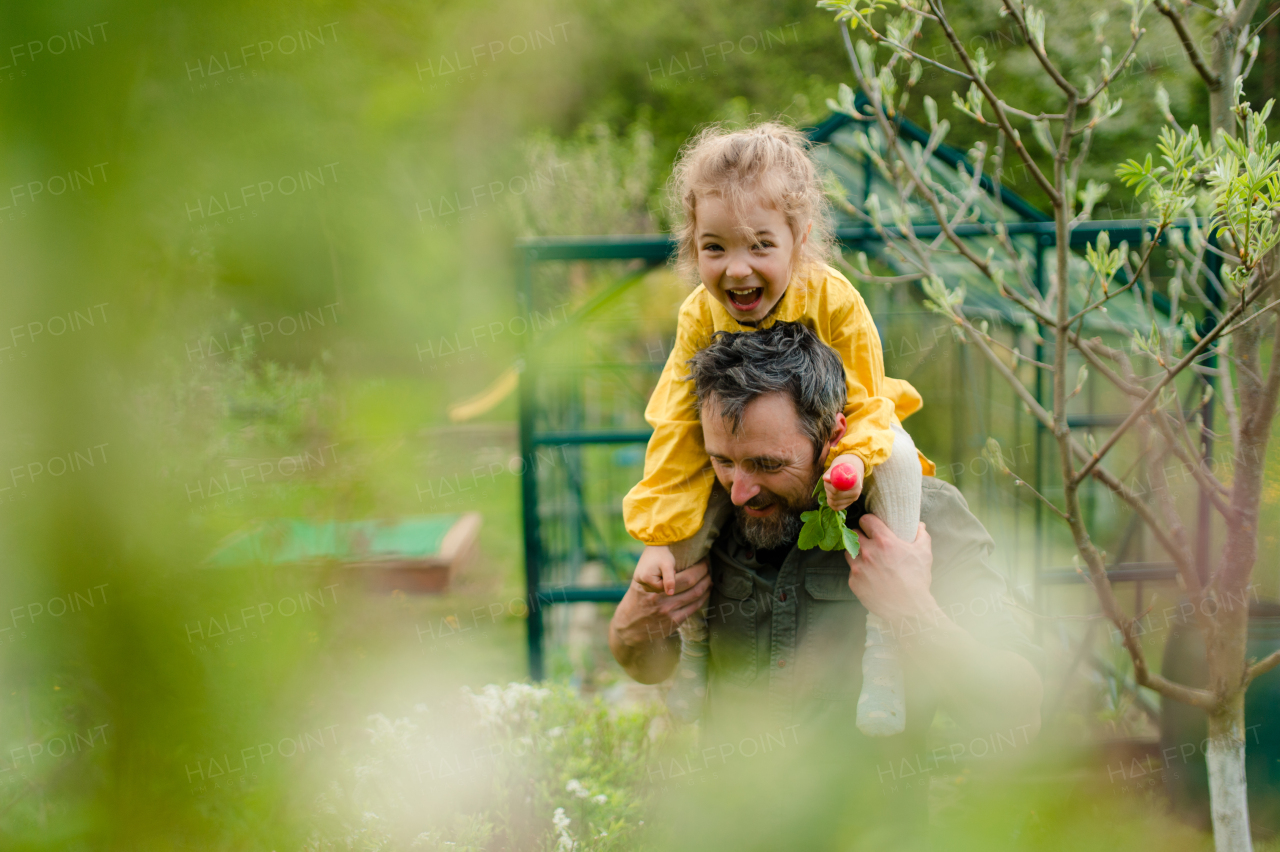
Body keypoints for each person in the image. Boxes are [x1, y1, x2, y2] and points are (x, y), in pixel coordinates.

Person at [609, 323, 1043, 833]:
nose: (741, 490)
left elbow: (1019, 709)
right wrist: (632, 623)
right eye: (722, 461)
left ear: (834, 434)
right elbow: (647, 666)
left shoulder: (921, 517)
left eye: (767, 464)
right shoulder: (701, 517)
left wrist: (912, 611)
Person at [622, 121, 933, 728]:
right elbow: (677, 422)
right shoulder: (699, 314)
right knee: (684, 503)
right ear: (692, 246)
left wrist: (848, 465)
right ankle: (690, 662)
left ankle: (885, 659)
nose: (737, 270)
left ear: (800, 238)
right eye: (714, 248)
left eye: (760, 245)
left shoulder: (834, 300)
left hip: (838, 438)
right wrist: (658, 537)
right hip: (736, 451)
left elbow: (868, 400)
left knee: (896, 453)